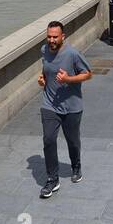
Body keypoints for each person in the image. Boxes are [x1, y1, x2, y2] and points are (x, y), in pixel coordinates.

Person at [36, 20, 92, 198]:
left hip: (72, 106)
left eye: (55, 37)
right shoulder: (44, 51)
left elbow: (88, 74)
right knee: (48, 139)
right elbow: (46, 70)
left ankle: (76, 166)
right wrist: (43, 79)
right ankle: (52, 179)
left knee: (72, 141)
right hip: (49, 104)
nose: (51, 40)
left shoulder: (72, 54)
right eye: (49, 36)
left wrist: (68, 79)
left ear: (63, 36)